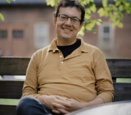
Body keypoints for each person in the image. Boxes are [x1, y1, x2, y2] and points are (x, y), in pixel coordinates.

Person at [16, 0, 114, 115]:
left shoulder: (95, 54)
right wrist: (45, 100)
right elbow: (27, 94)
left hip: (83, 113)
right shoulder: (38, 56)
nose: (68, 23)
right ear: (55, 20)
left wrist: (84, 107)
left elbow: (107, 92)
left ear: (80, 25)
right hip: (45, 112)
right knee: (25, 104)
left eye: (74, 19)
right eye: (63, 17)